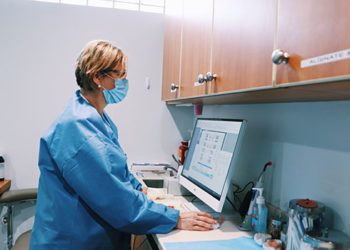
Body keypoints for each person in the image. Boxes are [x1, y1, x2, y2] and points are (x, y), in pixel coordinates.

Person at [29, 40, 216, 250]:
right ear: (98, 77)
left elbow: (114, 170)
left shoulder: (94, 118)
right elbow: (116, 201)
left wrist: (138, 187)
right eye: (119, 75)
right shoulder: (80, 130)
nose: (124, 82)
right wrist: (175, 218)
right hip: (73, 242)